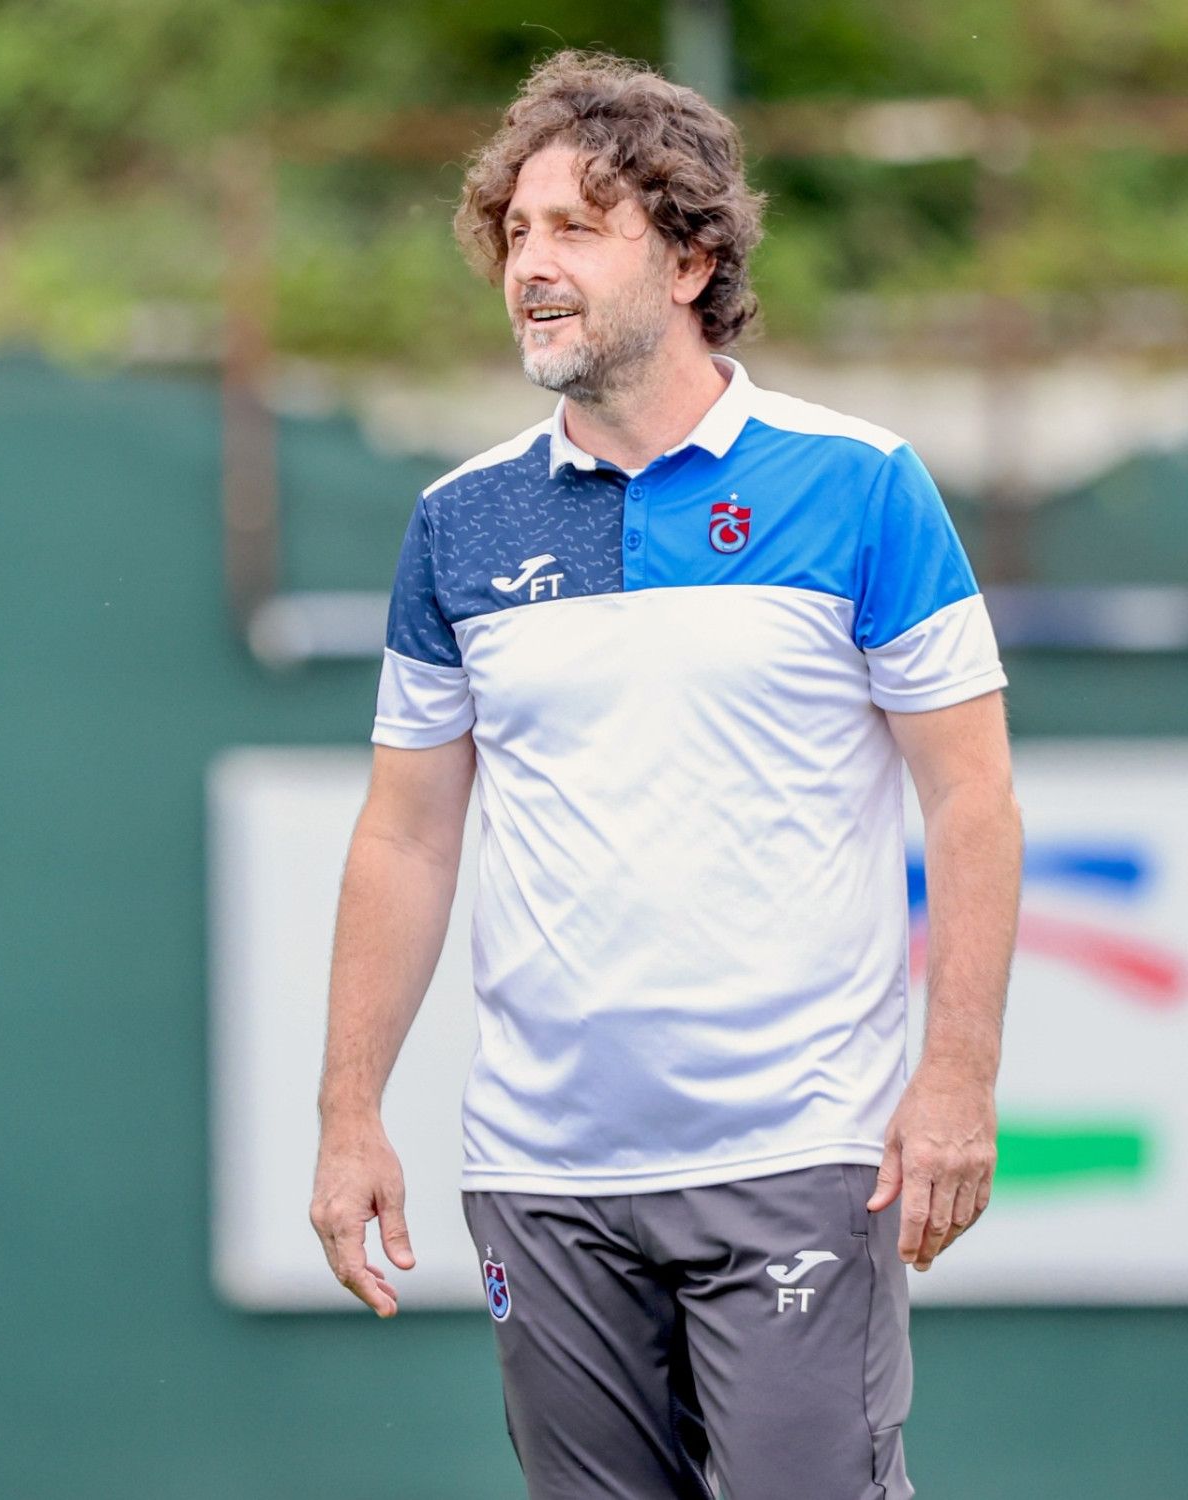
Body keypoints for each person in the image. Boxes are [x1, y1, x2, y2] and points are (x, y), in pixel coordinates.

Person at [310, 49, 1022, 1500]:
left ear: (693, 259)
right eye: (515, 230)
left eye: (577, 228)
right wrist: (348, 1112)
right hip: (541, 1177)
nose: (531, 264)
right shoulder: (458, 520)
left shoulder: (860, 481)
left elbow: (973, 800)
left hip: (799, 1150)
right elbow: (406, 838)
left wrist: (956, 1077)